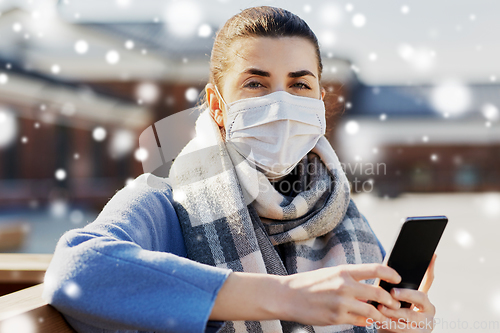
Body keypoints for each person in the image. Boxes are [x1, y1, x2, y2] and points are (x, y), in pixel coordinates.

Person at [42, 6, 436, 333]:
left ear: (318, 99)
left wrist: (399, 327)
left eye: (299, 85)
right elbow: (76, 271)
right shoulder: (163, 203)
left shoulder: (339, 214)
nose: (280, 103)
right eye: (255, 84)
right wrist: (287, 295)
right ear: (216, 105)